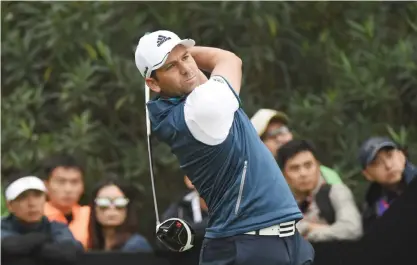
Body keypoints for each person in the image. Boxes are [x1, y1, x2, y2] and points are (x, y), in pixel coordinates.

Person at [135, 30, 314, 265]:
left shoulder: (192, 104)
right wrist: (187, 53)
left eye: (186, 58)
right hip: (247, 246)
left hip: (277, 242)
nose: (186, 69)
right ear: (153, 83)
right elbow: (229, 59)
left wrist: (177, 56)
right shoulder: (201, 111)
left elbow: (197, 76)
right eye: (170, 67)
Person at [277, 140, 362, 242]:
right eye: (295, 168)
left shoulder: (335, 192)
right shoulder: (279, 204)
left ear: (318, 166)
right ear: (284, 174)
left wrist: (309, 231)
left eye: (308, 165)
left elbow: (352, 229)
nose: (303, 173)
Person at [1, 173, 83, 265]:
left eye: (37, 195)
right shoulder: (2, 227)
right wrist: (45, 239)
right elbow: (8, 246)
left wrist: (26, 249)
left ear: (45, 199)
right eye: (22, 197)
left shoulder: (57, 227)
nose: (32, 203)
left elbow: (70, 252)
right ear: (10, 205)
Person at [250, 108, 343, 184]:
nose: (281, 139)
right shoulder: (255, 181)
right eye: (272, 136)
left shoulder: (325, 174)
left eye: (283, 131)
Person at [359, 137, 416, 233]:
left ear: (402, 157)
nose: (388, 165)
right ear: (367, 174)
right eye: (376, 163)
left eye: (390, 156)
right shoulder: (372, 208)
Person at [87, 174, 153, 252]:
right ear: (94, 209)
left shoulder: (137, 246)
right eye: (103, 203)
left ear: (127, 208)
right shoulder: (93, 246)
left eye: (119, 203)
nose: (111, 209)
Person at [42, 154, 90, 249]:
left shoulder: (91, 215)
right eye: (61, 182)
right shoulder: (35, 216)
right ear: (46, 185)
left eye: (74, 182)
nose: (68, 189)